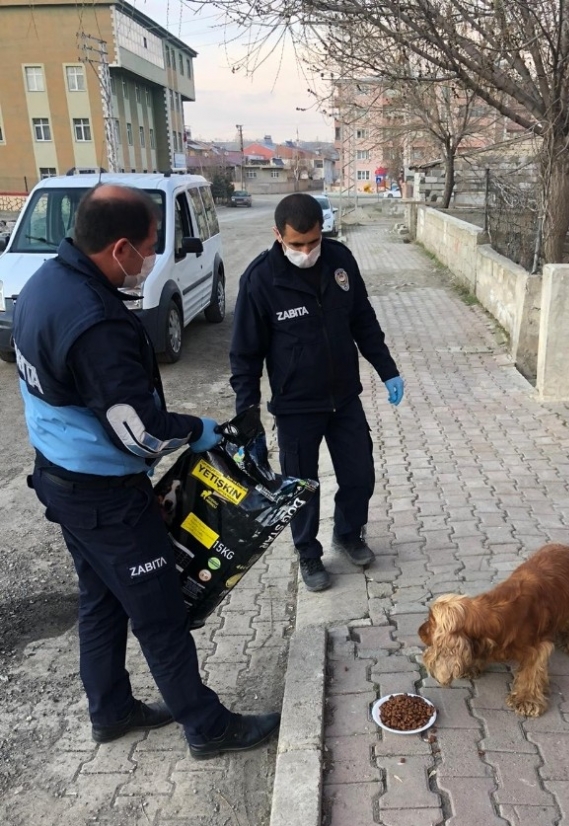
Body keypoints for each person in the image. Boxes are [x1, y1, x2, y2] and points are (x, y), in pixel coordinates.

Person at [13, 184, 279, 758]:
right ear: (120, 249)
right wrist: (197, 429)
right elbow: (141, 430)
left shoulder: (44, 284)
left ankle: (110, 710)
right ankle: (207, 728)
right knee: (158, 611)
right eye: (151, 248)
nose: (154, 259)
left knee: (101, 600)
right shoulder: (96, 323)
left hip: (63, 478)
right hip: (103, 496)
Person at [230, 192, 404, 592]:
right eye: (296, 244)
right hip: (295, 408)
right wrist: (248, 417)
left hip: (344, 398)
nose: (306, 251)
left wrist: (387, 369)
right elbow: (244, 355)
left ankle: (348, 533)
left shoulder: (340, 261)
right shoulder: (260, 279)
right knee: (301, 488)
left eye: (313, 241)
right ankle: (308, 553)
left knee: (360, 474)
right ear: (278, 235)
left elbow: (363, 319)